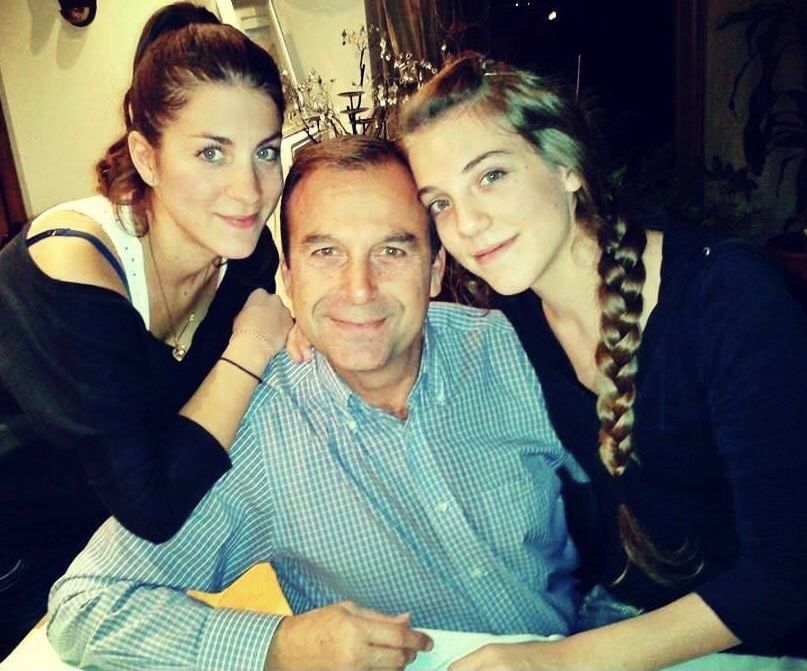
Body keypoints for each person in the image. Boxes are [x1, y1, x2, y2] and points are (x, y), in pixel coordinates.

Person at [47, 135, 583, 671]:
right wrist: (278, 646)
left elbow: (627, 527)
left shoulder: (515, 354)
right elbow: (85, 603)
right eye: (326, 253)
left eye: (392, 251)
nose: (359, 289)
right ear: (288, 277)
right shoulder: (257, 430)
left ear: (437, 269)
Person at [399, 52, 807, 669]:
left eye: (491, 176)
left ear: (567, 166)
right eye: (439, 202)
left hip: (769, 641)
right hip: (625, 612)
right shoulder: (517, 314)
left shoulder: (727, 299)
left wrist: (560, 661)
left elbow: (792, 572)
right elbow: (401, 338)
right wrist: (305, 335)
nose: (467, 223)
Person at [0, 3, 292, 656]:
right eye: (212, 152)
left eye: (265, 151)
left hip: (107, 556)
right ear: (147, 156)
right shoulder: (74, 265)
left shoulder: (243, 256)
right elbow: (153, 501)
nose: (250, 189)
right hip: (14, 554)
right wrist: (250, 346)